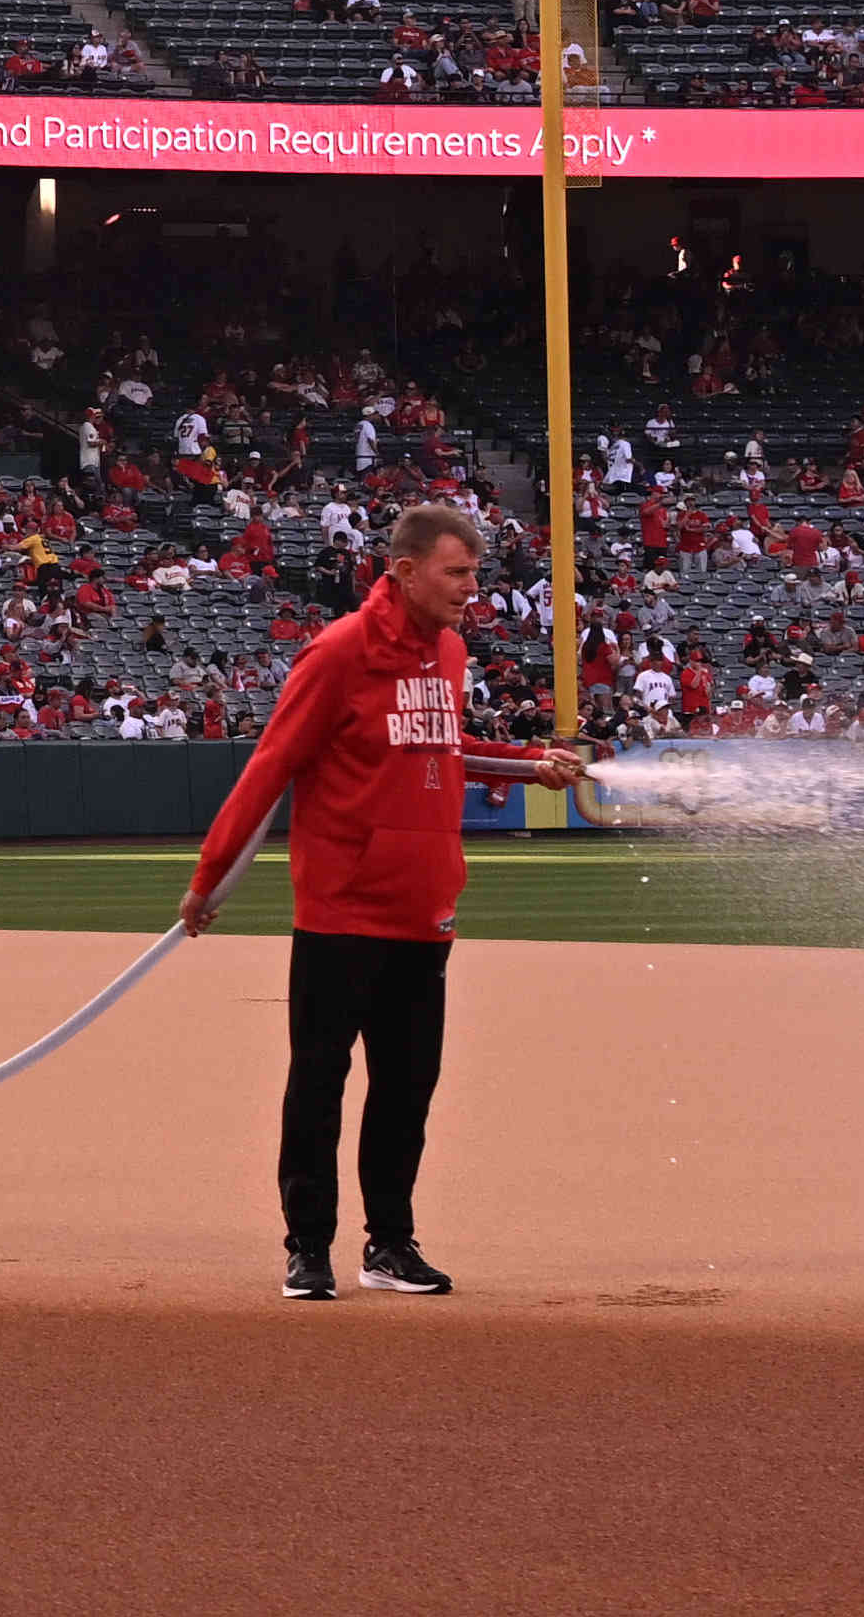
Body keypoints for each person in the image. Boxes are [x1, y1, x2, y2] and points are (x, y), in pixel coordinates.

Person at [182, 501, 587, 1301]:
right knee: (318, 1084)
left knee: (407, 1089)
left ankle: (389, 1244)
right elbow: (269, 768)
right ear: (403, 572)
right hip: (341, 911)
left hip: (424, 908)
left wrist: (527, 763)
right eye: (457, 572)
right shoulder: (337, 655)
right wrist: (211, 878)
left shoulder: (448, 651)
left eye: (475, 573)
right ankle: (308, 1247)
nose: (472, 588)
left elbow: (443, 747)